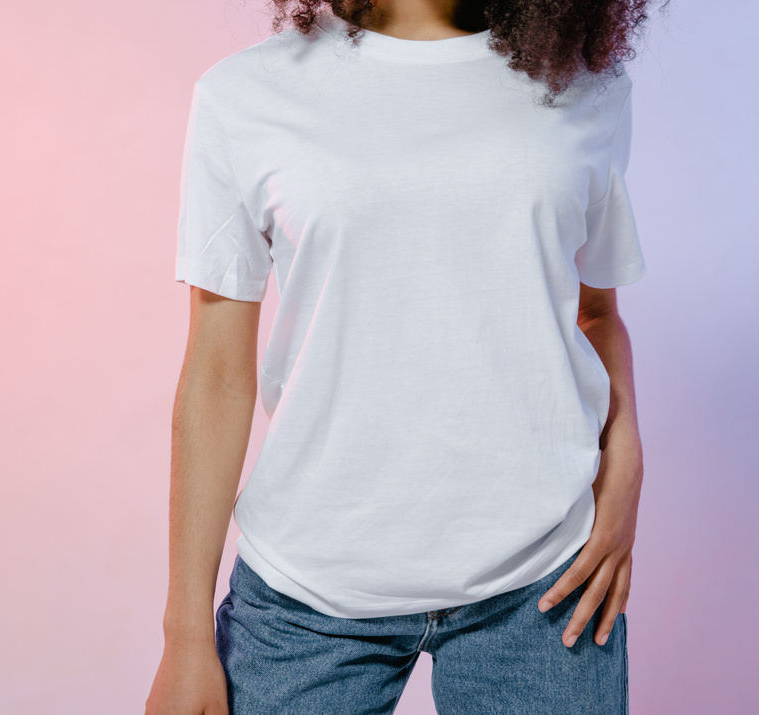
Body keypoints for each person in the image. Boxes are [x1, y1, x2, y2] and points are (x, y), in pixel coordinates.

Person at [147, 0, 660, 712]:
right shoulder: (244, 96)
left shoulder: (583, 85)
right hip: (309, 589)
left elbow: (597, 312)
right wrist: (184, 638)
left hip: (544, 583)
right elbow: (216, 373)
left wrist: (627, 458)